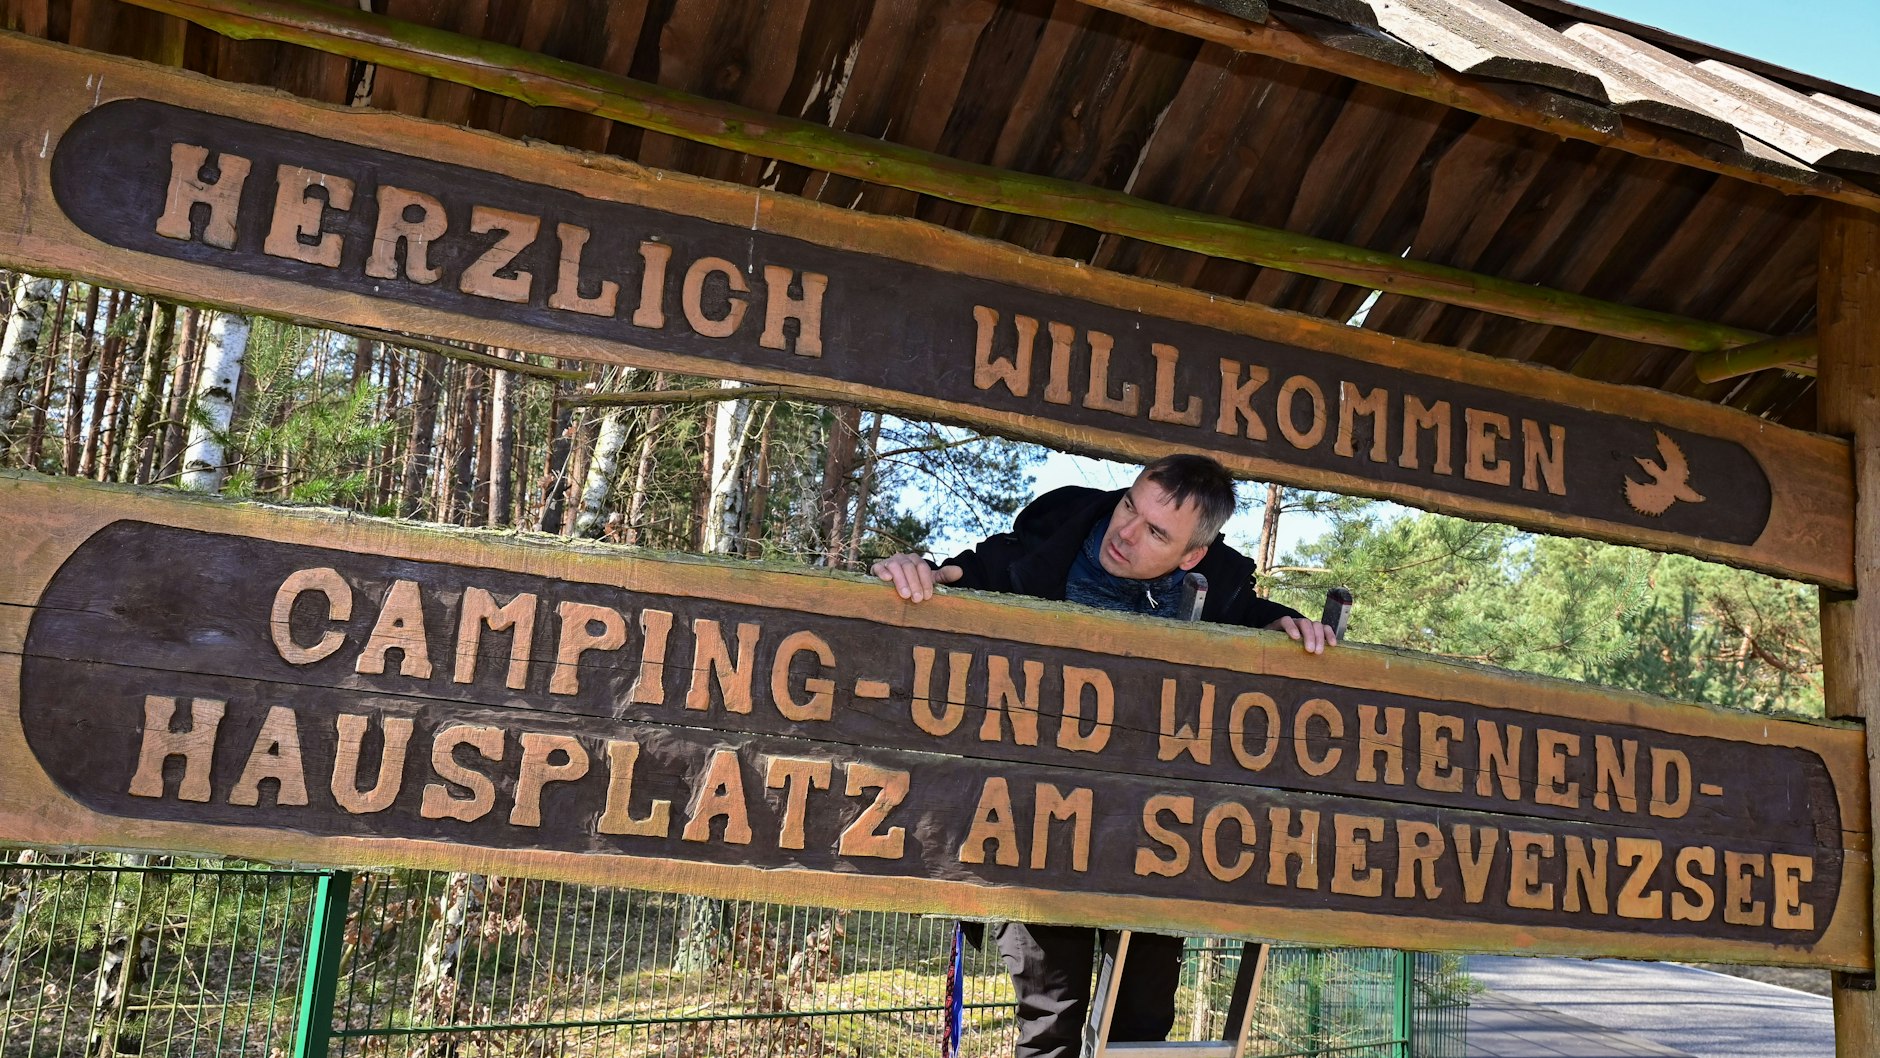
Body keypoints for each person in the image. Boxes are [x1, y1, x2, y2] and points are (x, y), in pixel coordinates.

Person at [871, 453, 1337, 1058]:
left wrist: (1291, 628)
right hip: (1038, 831)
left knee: (1140, 1027)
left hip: (1157, 839)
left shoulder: (1219, 592)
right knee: (1050, 1028)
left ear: (1192, 555)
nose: (1126, 534)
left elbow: (1260, 622)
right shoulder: (1040, 552)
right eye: (1128, 507)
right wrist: (915, 571)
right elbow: (960, 575)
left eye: (1156, 533)